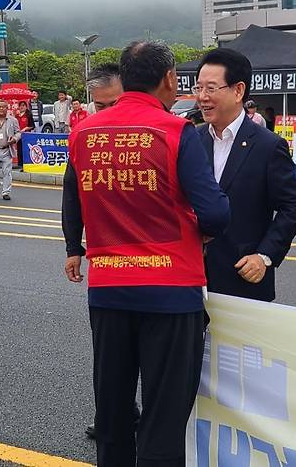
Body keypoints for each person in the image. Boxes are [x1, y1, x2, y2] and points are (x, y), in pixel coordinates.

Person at [62, 40, 229, 467]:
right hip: (171, 295)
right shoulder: (176, 132)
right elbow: (214, 212)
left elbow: (75, 201)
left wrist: (76, 245)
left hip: (109, 292)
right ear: (170, 79)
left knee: (113, 411)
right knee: (163, 416)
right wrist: (202, 230)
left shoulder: (82, 134)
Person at [195, 48, 296, 302]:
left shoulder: (268, 145)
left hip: (243, 279)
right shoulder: (193, 140)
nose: (202, 97)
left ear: (238, 91)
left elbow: (292, 207)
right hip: (193, 280)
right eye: (198, 88)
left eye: (211, 88)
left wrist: (264, 256)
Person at [80, 62, 128, 442]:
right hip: (108, 271)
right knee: (111, 357)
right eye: (100, 107)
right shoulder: (85, 137)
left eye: (114, 104)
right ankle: (114, 417)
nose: (107, 114)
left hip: (162, 270)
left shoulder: (162, 135)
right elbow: (70, 192)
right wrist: (70, 246)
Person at [15, 100, 35, 171]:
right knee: (19, 149)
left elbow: (32, 126)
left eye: (23, 105)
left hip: (26, 135)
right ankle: (20, 164)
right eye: (20, 106)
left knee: (25, 150)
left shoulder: (28, 115)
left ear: (26, 107)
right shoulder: (17, 115)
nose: (22, 107)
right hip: (18, 135)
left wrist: (25, 128)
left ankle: (25, 164)